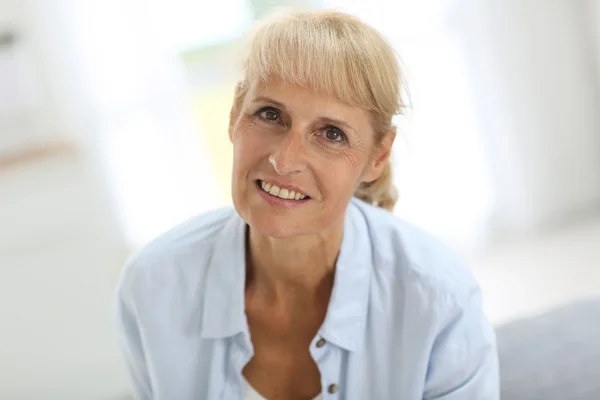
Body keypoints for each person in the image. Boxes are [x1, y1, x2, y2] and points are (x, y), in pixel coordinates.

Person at [114, 8, 499, 400]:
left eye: (331, 134)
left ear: (377, 157)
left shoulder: (439, 300)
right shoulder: (153, 286)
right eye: (269, 114)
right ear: (234, 114)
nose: (285, 159)